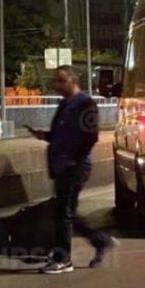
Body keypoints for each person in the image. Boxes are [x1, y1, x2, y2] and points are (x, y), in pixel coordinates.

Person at [27, 66, 117, 274]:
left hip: (75, 166)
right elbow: (61, 135)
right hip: (62, 165)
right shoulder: (65, 105)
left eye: (61, 80)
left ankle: (63, 259)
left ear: (73, 80)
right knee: (66, 211)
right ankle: (100, 241)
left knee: (63, 212)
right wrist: (44, 136)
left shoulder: (86, 104)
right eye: (55, 81)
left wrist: (74, 161)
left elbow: (90, 136)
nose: (56, 85)